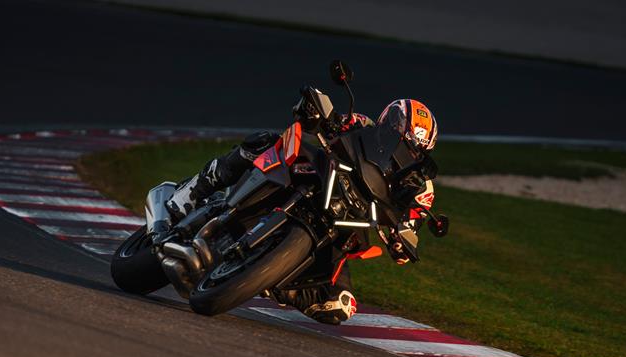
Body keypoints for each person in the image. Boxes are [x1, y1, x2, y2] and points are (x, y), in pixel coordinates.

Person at [166, 98, 439, 324]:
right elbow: (329, 122)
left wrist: (401, 243)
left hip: (348, 219)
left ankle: (274, 278)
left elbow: (411, 224)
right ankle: (196, 189)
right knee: (267, 142)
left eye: (413, 148)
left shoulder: (421, 187)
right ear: (390, 122)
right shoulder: (363, 124)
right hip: (321, 177)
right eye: (400, 136)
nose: (404, 150)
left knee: (340, 306)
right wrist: (317, 112)